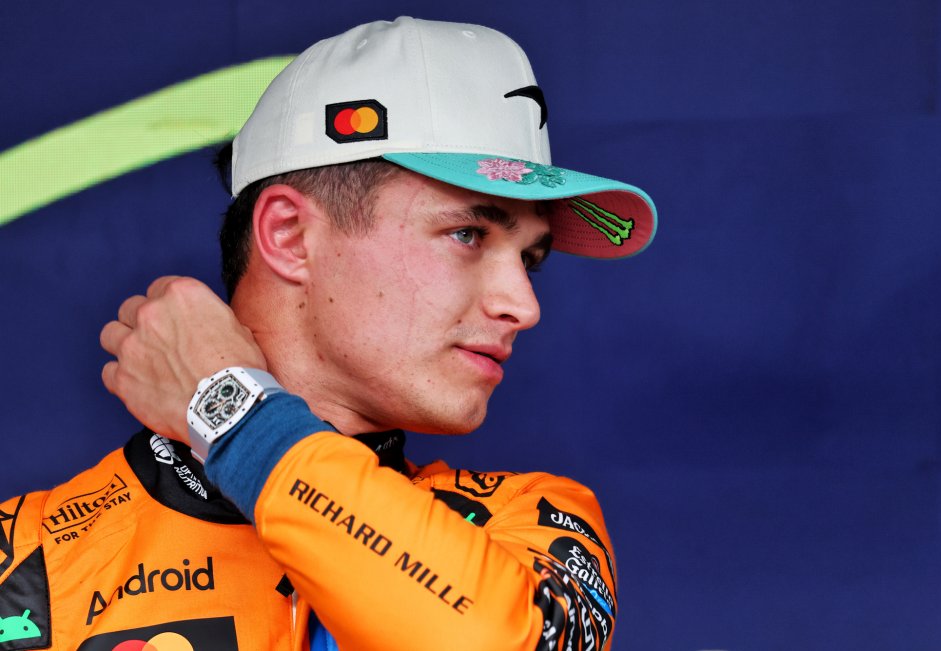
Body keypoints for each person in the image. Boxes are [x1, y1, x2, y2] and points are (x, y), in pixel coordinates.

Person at [0, 17, 656, 651]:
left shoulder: (529, 523)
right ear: (289, 235)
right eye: (467, 234)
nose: (523, 305)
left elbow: (485, 641)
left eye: (530, 259)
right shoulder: (24, 557)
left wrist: (232, 413)